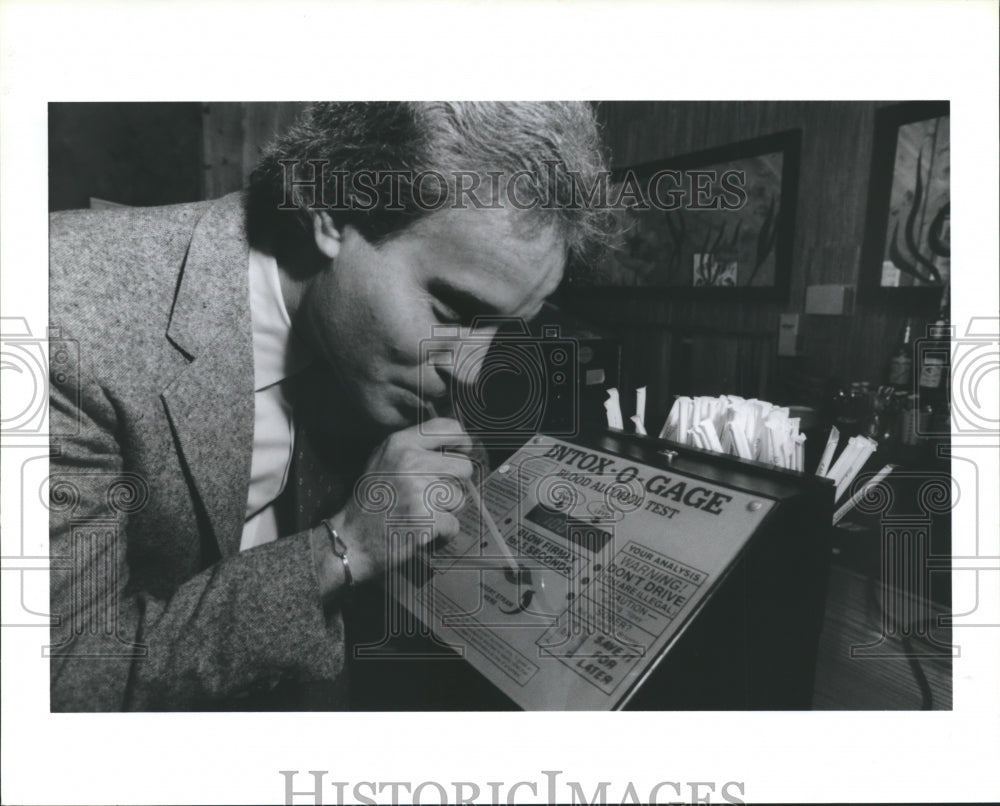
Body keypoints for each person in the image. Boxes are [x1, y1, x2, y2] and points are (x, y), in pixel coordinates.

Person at [48, 102, 612, 711]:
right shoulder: (59, 321)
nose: (470, 368)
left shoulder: (387, 331)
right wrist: (344, 548)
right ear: (331, 214)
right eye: (451, 314)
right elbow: (65, 682)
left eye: (501, 330)